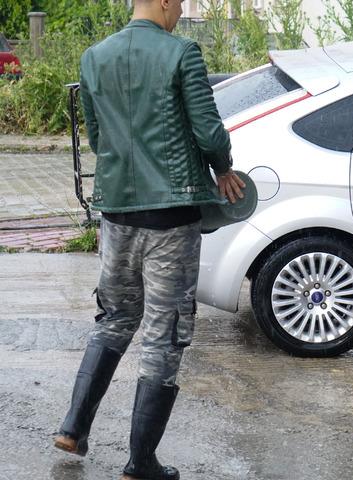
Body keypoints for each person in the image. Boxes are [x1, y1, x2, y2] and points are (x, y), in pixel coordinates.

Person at [52, 1, 245, 479]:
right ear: (162, 1)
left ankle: (74, 427)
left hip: (116, 210)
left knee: (115, 316)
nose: (180, 9)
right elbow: (208, 130)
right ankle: (141, 462)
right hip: (171, 217)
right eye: (180, 2)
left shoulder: (94, 56)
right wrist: (222, 168)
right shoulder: (182, 53)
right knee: (165, 334)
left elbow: (98, 138)